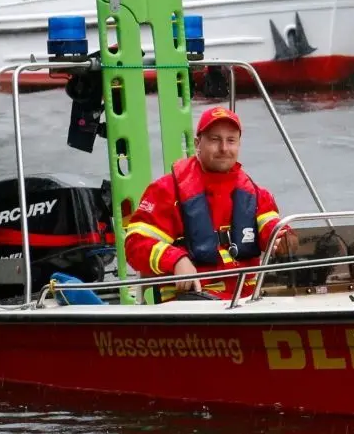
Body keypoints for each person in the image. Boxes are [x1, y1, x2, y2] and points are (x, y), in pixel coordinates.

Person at [123, 106, 290, 301]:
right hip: (192, 303)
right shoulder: (165, 191)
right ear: (197, 144)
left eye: (231, 140)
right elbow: (135, 244)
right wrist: (176, 260)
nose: (224, 148)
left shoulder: (255, 193)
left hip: (250, 300)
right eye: (215, 139)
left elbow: (272, 227)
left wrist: (285, 240)